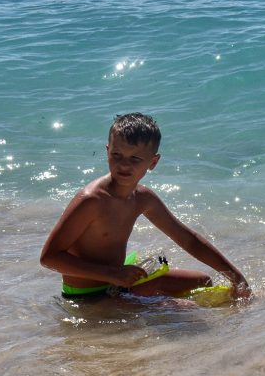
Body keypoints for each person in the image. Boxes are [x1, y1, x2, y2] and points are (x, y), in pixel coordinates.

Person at [41, 112, 251, 301]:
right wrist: (112, 274)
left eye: (135, 158)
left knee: (203, 282)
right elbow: (49, 258)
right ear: (107, 151)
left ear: (153, 162)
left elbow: (187, 239)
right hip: (89, 297)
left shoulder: (142, 198)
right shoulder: (92, 201)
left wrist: (236, 276)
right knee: (183, 316)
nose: (124, 164)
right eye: (117, 155)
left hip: (118, 282)